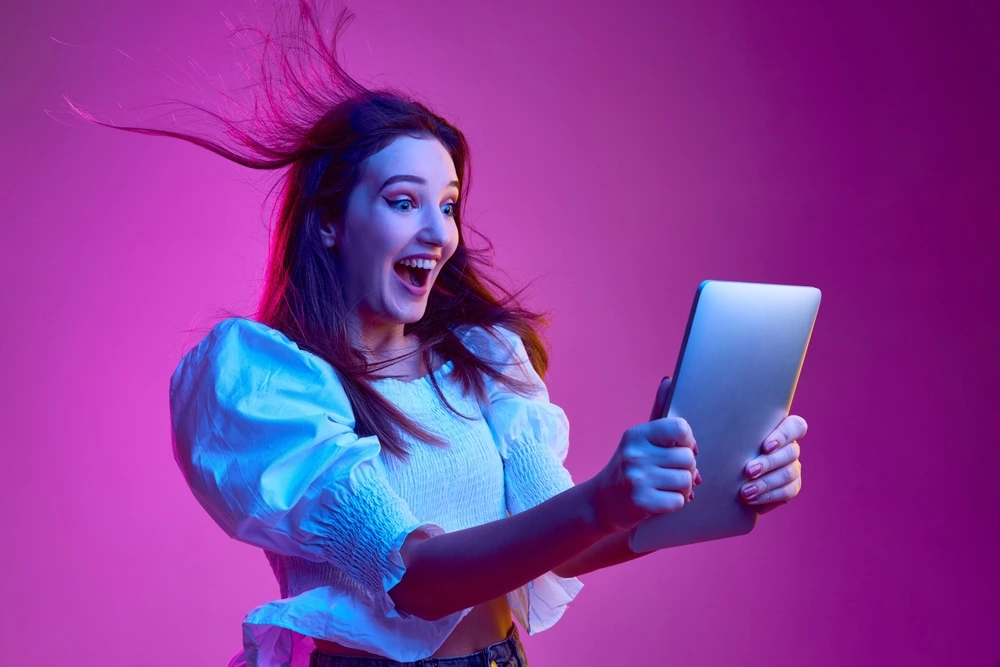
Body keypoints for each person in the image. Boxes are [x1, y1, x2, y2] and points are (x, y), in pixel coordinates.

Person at [96, 3, 808, 666]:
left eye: (449, 205)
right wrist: (601, 497)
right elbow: (412, 578)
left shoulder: (481, 361)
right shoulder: (269, 383)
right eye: (403, 201)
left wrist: (693, 488)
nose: (439, 233)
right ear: (329, 222)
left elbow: (558, 545)